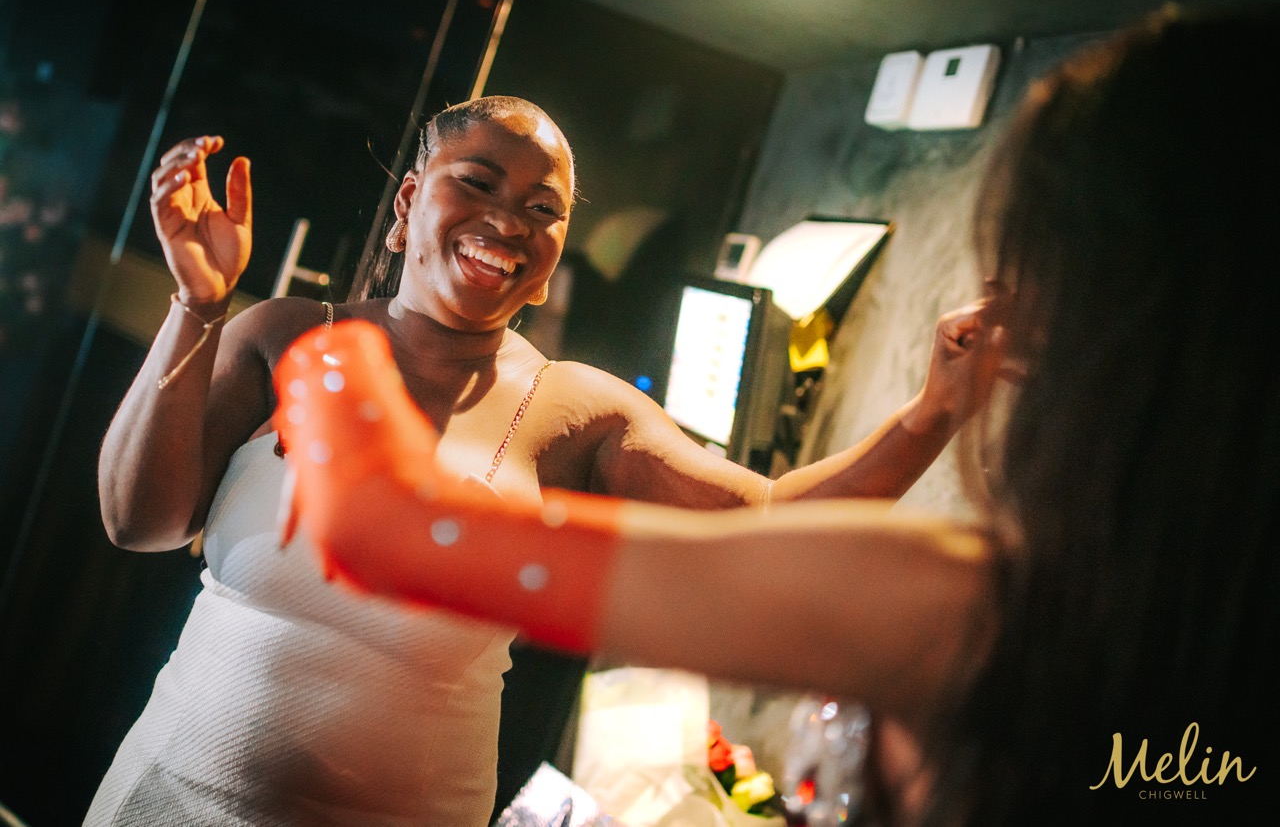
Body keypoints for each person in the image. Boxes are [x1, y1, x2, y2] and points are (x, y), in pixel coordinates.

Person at [272, 6, 1280, 826]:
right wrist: (936, 410)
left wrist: (330, 352)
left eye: (1031, 267)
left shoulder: (962, 607)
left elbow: (390, 529)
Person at [87, 95, 995, 826]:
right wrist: (197, 306)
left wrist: (936, 410)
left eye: (542, 208)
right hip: (173, 794)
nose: (507, 220)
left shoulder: (577, 410)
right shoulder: (287, 336)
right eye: (477, 183)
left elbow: (777, 521)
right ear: (408, 204)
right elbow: (139, 520)